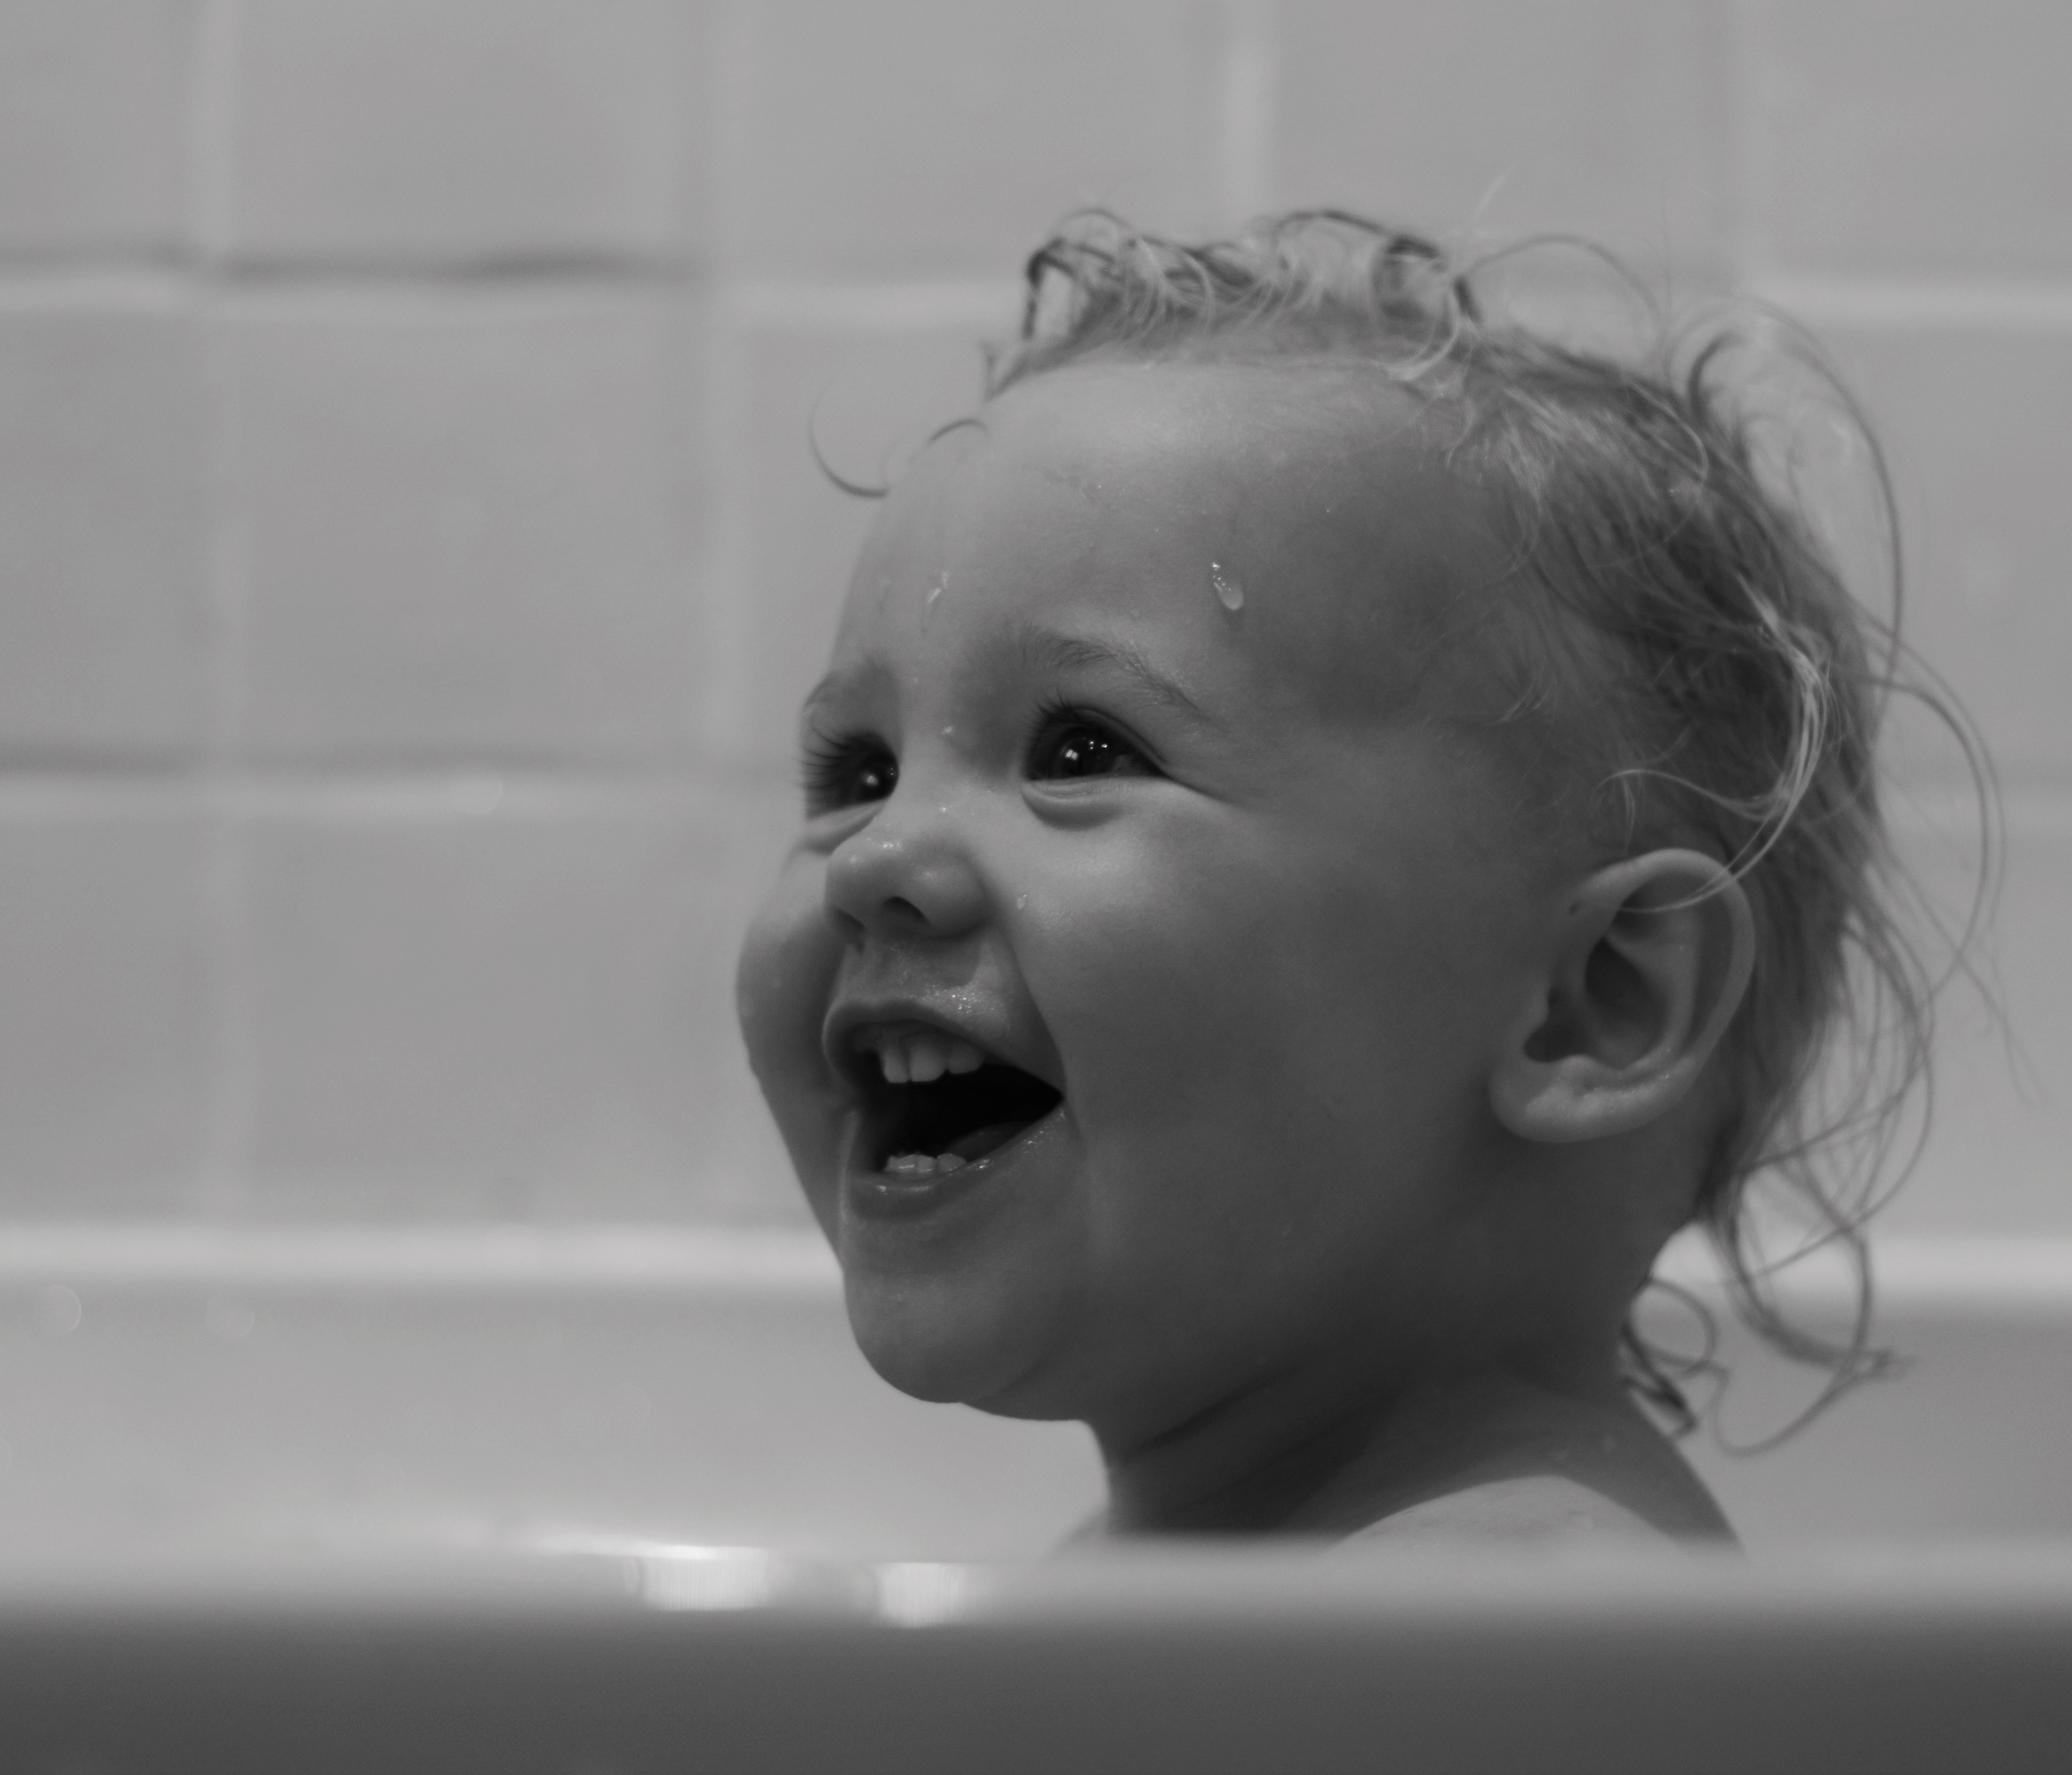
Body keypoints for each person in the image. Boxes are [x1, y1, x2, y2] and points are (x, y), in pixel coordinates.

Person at [735, 212, 1972, 1546]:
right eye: (857, 773)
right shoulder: (1254, 1585)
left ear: (1593, 1001)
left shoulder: (1514, 1623)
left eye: (1083, 750)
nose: (878, 859)